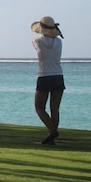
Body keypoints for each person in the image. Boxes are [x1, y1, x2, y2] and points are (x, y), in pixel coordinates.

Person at [31, 15, 65, 145]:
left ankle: (52, 131)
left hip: (44, 76)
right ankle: (52, 137)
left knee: (39, 107)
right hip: (58, 76)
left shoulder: (37, 41)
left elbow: (36, 43)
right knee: (54, 109)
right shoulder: (59, 42)